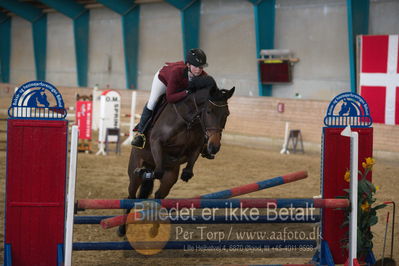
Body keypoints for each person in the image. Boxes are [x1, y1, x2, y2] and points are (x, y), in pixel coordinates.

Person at [131, 48, 215, 151]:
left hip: (181, 84)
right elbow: (170, 97)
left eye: (201, 67)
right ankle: (140, 134)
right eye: (196, 66)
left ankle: (204, 141)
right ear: (188, 65)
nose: (199, 70)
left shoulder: (203, 76)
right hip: (163, 80)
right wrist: (187, 92)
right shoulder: (176, 72)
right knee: (152, 103)